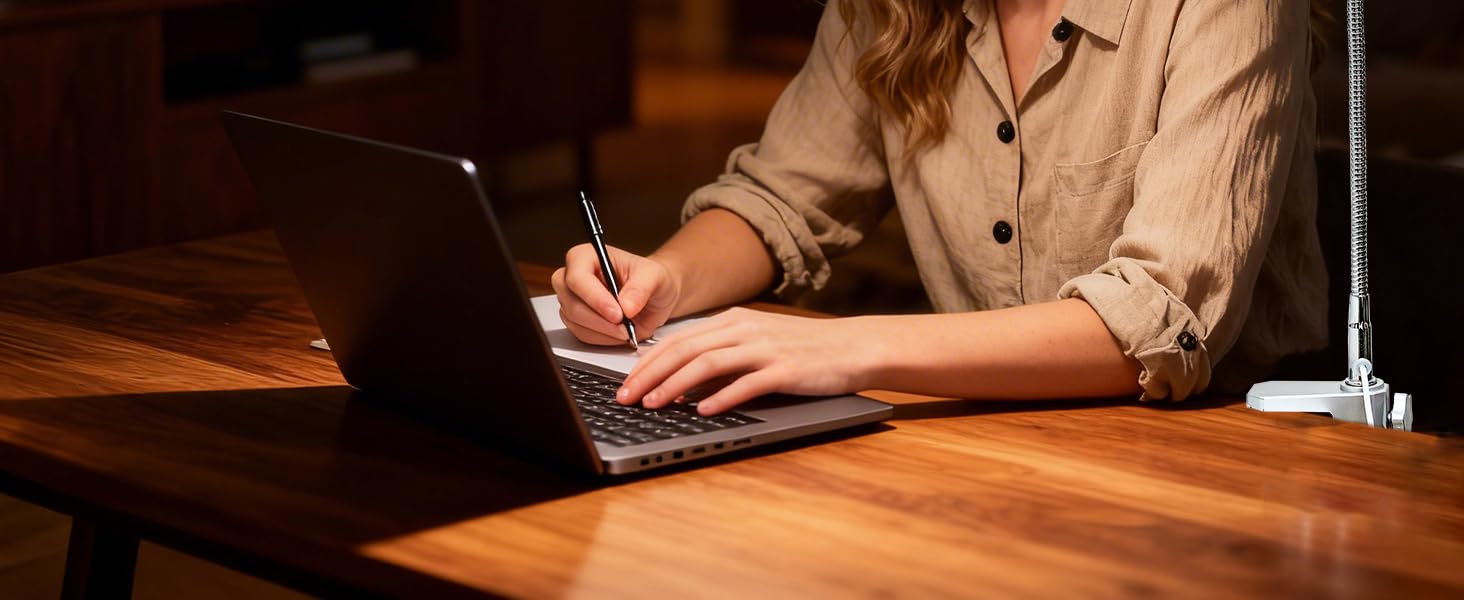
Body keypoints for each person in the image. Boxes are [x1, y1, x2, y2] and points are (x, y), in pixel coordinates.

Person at [551, 0, 1329, 415]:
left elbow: (1156, 321)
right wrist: (661, 281)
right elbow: (780, 195)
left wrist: (846, 349)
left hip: (1207, 449)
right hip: (974, 434)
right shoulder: (885, 8)